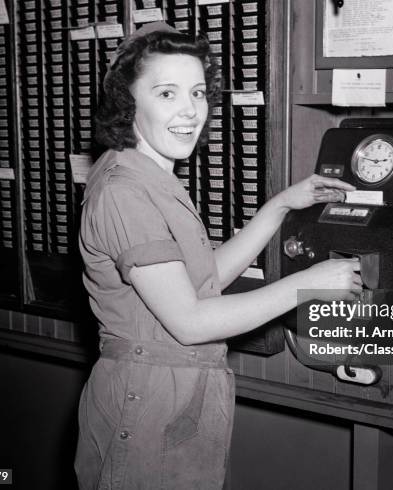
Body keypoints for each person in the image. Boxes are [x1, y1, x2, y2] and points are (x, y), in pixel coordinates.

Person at [74, 22, 362, 490]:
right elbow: (190, 320)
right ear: (128, 101)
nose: (189, 111)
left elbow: (204, 280)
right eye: (167, 94)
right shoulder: (124, 192)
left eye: (198, 93)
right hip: (147, 398)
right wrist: (308, 284)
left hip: (176, 393)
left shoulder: (149, 176)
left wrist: (282, 205)